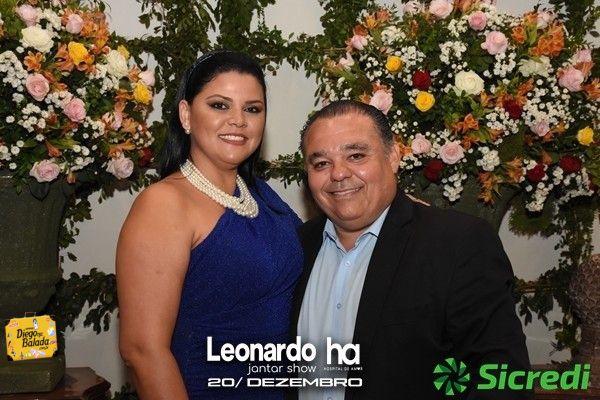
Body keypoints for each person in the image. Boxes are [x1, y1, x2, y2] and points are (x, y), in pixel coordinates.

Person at [289, 100, 532, 399]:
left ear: (393, 157)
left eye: (356, 155)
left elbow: (502, 378)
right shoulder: (295, 247)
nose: (338, 173)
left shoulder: (457, 244)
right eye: (321, 164)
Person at [117, 50, 303, 400]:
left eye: (252, 109)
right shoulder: (164, 204)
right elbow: (142, 351)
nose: (238, 120)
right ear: (186, 115)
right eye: (220, 105)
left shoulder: (263, 196)